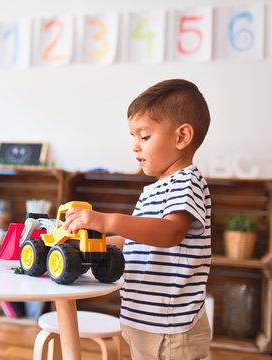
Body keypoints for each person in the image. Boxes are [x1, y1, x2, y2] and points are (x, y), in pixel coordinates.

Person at [62, 79, 212, 359]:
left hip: (170, 326)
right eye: (133, 137)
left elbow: (169, 233)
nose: (135, 147)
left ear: (181, 137)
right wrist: (96, 241)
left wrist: (107, 222)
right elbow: (138, 242)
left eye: (144, 137)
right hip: (144, 318)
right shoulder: (155, 189)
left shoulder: (186, 181)